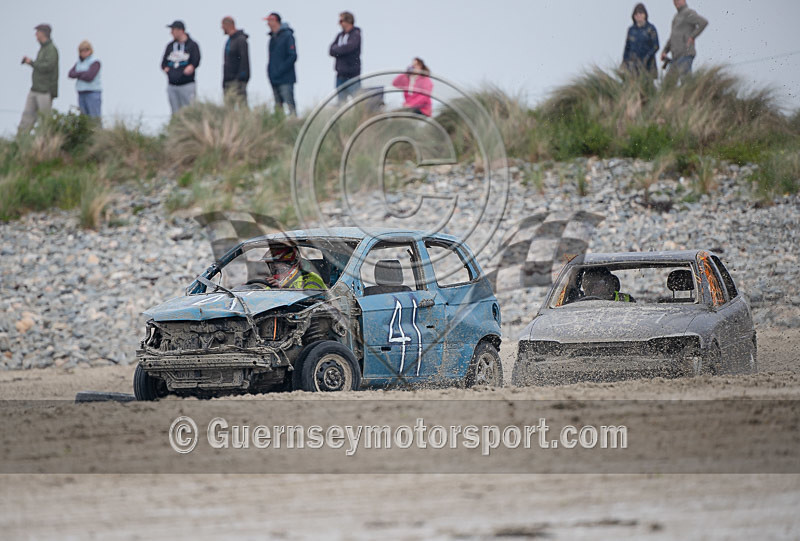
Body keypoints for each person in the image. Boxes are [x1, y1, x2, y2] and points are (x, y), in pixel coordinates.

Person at [18, 24, 59, 134]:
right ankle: (20, 144)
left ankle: (44, 146)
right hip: (35, 89)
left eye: (37, 32)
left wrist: (31, 63)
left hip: (45, 91)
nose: (35, 35)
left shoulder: (51, 49)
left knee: (44, 121)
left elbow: (47, 67)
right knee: (26, 119)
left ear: (43, 33)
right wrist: (31, 63)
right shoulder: (43, 48)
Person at [161, 20, 201, 115]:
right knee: (175, 113)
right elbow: (163, 63)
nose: (171, 32)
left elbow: (196, 60)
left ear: (180, 31)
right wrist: (167, 70)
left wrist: (191, 67)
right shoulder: (170, 46)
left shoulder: (192, 45)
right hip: (172, 85)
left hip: (187, 84)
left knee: (190, 112)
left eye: (173, 30)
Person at [661, 0, 708, 79]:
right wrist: (665, 51)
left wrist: (692, 36)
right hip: (675, 57)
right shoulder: (676, 17)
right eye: (675, 1)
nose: (676, 2)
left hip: (686, 54)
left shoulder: (688, 13)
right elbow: (672, 36)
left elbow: (703, 22)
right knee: (668, 83)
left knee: (686, 82)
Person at [265, 12, 297, 116]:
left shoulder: (288, 36)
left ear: (275, 21)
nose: (268, 24)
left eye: (269, 21)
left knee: (289, 104)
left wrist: (280, 70)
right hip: (274, 78)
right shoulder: (272, 39)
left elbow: (293, 56)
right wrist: (270, 72)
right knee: (278, 106)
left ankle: (293, 122)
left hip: (286, 78)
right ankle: (280, 126)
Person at [256, 244, 326, 290]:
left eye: (280, 264)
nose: (275, 268)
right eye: (272, 266)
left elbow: (310, 302)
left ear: (292, 263)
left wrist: (282, 290)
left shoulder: (311, 279)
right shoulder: (273, 284)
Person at [329, 11, 362, 104]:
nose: (339, 23)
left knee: (358, 102)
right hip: (340, 75)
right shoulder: (339, 36)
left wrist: (338, 51)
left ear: (348, 21)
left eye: (341, 21)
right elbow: (331, 50)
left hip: (352, 75)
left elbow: (349, 48)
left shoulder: (356, 34)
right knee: (341, 103)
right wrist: (340, 50)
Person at [622, 3, 659, 78]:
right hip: (632, 65)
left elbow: (656, 46)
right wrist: (624, 61)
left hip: (647, 65)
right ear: (634, 16)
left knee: (647, 86)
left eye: (641, 13)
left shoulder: (651, 29)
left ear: (645, 15)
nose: (638, 15)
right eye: (636, 14)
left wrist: (647, 58)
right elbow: (627, 47)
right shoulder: (631, 30)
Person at [68, 40, 102, 119]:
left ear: (90, 50)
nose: (84, 53)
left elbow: (89, 77)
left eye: (86, 50)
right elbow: (70, 74)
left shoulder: (95, 62)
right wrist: (83, 73)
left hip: (92, 93)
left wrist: (78, 74)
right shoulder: (78, 63)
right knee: (84, 119)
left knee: (94, 118)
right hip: (81, 93)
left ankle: (98, 132)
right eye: (82, 51)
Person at [221, 17, 250, 107]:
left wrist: (241, 77)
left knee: (242, 106)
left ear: (228, 25)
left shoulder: (240, 40)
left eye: (223, 25)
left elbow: (244, 59)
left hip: (238, 80)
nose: (222, 28)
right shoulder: (229, 41)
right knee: (228, 108)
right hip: (228, 80)